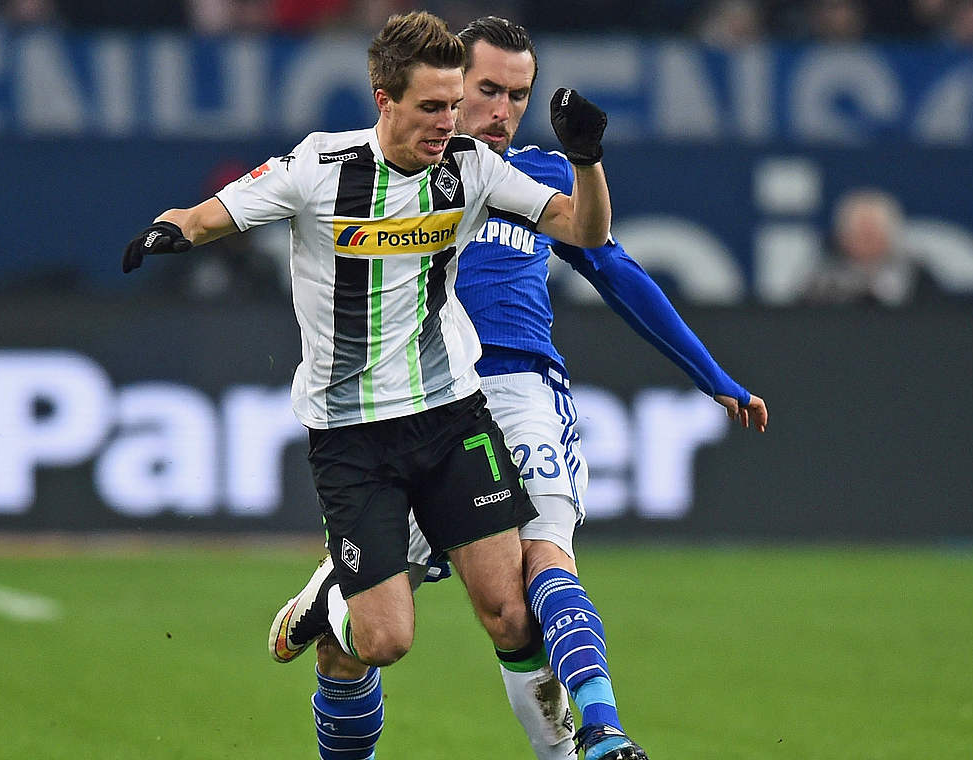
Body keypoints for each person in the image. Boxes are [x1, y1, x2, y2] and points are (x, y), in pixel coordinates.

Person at [267, 16, 769, 760]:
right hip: (410, 408)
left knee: (530, 590)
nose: (502, 111)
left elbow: (615, 269)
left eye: (519, 95)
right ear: (445, 86)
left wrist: (711, 374)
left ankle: (600, 735)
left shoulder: (537, 177)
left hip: (516, 390)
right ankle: (337, 602)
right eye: (487, 90)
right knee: (357, 644)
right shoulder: (381, 174)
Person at [120, 8, 614, 760]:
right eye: (431, 107)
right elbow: (211, 214)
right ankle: (334, 605)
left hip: (453, 417)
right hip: (354, 439)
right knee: (385, 641)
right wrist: (173, 231)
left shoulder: (472, 168)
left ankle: (575, 746)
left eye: (454, 105)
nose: (448, 123)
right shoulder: (319, 167)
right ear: (385, 100)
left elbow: (585, 230)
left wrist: (586, 159)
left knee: (513, 615)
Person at [802, 187, 930, 306]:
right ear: (843, 237)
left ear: (890, 236)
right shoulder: (821, 283)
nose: (867, 242)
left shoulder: (917, 279)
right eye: (860, 234)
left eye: (873, 233)